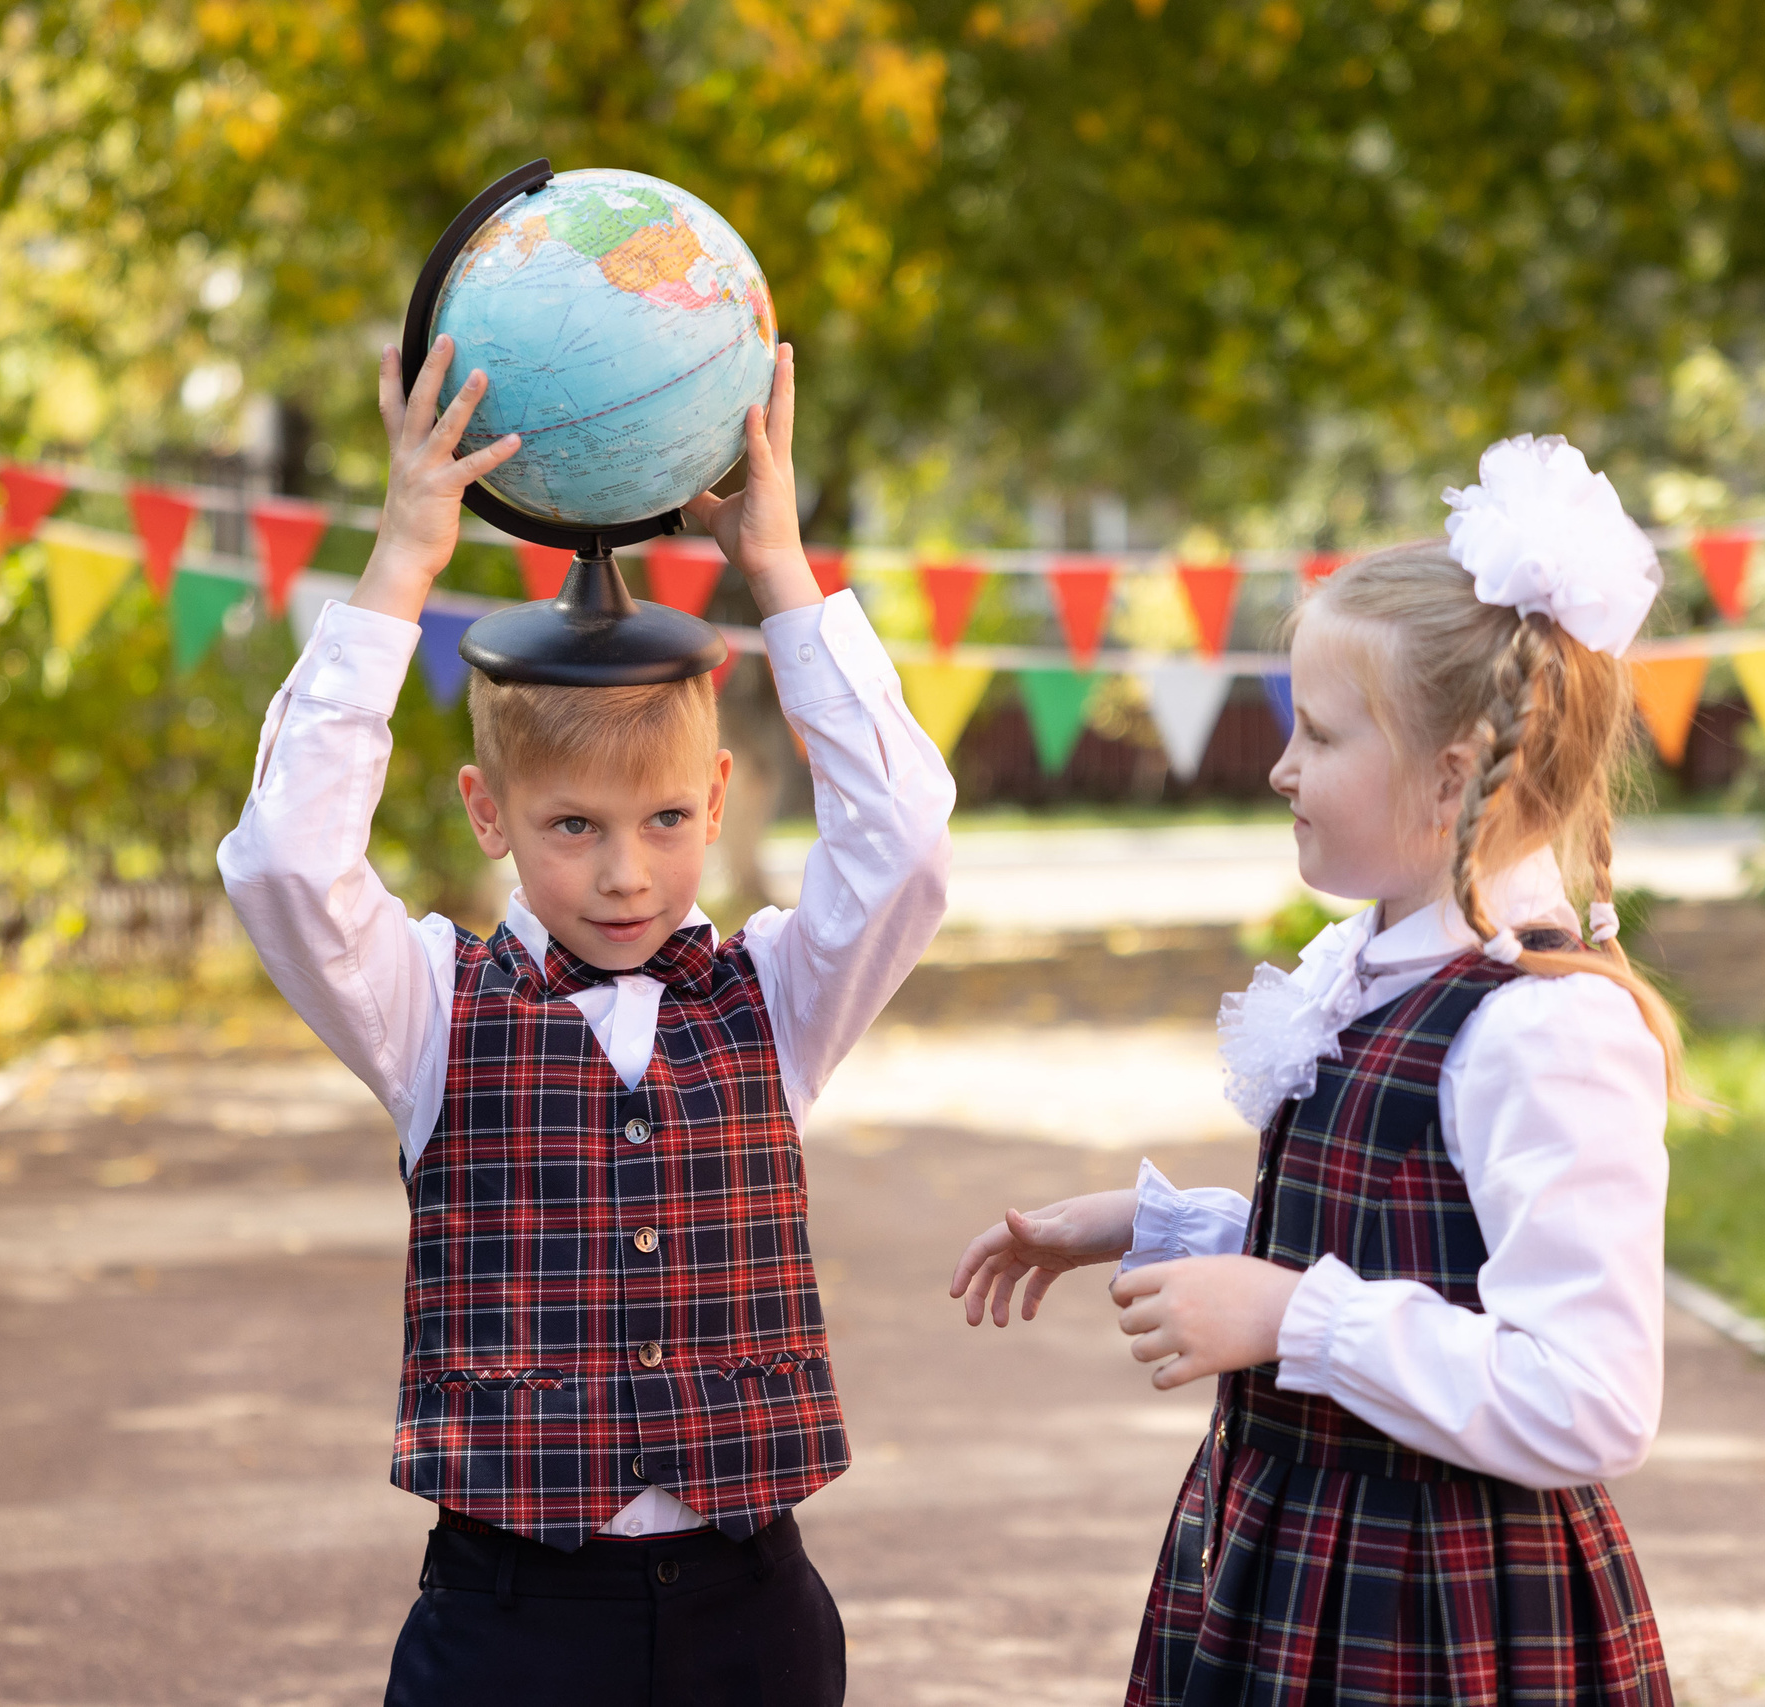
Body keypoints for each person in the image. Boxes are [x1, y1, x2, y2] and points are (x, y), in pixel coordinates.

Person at [220, 333, 953, 1707]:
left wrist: (780, 574)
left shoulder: (777, 998)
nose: (626, 869)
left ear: (721, 796)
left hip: (755, 1607)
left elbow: (906, 842)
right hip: (511, 1619)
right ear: (488, 813)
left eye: (667, 818)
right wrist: (401, 566)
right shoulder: (429, 1008)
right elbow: (280, 865)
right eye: (574, 826)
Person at [949, 436, 1685, 1705]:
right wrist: (1158, 1224)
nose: (1282, 767)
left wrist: (1293, 1318)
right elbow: (1403, 1245)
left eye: (1322, 736)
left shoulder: (1539, 1027)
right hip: (1295, 1558)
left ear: (1451, 775)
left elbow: (1592, 1399)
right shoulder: (1374, 964)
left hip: (1435, 1605)